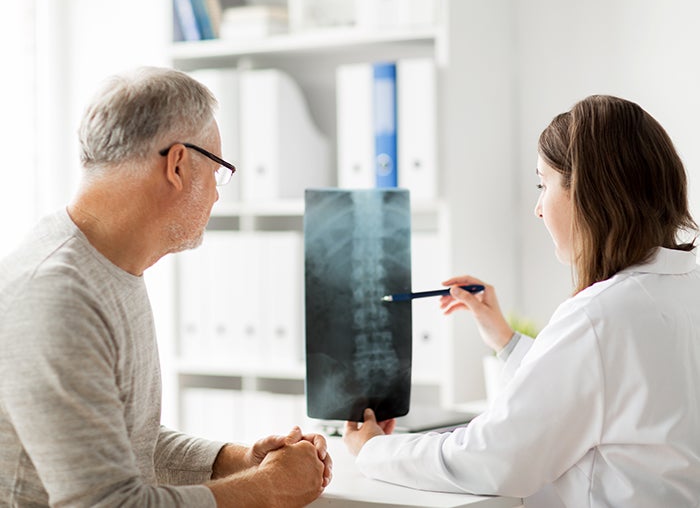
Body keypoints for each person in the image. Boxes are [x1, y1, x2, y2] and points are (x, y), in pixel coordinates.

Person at [344, 95, 700, 507]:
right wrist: (505, 340)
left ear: (588, 193)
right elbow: (601, 394)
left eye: (543, 184)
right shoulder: (683, 286)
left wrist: (373, 450)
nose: (538, 208)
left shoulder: (600, 315)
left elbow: (492, 460)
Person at [0, 66, 331, 507]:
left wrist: (240, 460)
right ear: (177, 164)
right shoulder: (56, 296)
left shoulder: (107, 266)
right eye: (217, 170)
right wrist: (270, 488)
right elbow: (109, 504)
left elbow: (120, 438)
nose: (216, 194)